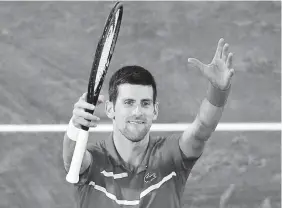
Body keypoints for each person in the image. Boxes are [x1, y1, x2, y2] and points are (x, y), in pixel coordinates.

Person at [63, 38, 235, 208]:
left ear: (155, 110)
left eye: (145, 103)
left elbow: (202, 129)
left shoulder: (171, 157)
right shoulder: (94, 161)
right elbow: (72, 161)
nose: (137, 112)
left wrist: (218, 91)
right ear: (110, 109)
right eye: (129, 102)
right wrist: (75, 125)